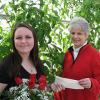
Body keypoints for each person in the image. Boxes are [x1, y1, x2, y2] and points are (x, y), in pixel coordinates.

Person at [51, 17, 100, 100]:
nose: (75, 36)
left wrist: (91, 83)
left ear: (86, 35)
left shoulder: (95, 55)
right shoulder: (67, 54)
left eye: (79, 33)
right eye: (73, 33)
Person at [0, 23, 45, 97]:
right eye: (19, 38)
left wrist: (51, 87)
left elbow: (38, 89)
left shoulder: (37, 62)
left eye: (28, 37)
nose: (23, 41)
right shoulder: (8, 63)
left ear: (34, 40)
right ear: (14, 41)